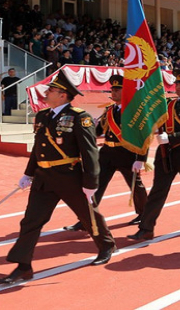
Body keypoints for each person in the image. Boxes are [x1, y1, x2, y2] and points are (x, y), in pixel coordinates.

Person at [0, 70, 116, 284]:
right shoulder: (43, 116)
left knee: (88, 215)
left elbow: (89, 153)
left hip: (69, 177)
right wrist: (28, 173)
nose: (46, 92)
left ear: (62, 95)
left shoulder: (80, 117)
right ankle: (23, 266)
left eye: (51, 90)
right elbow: (37, 148)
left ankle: (106, 245)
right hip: (44, 178)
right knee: (31, 221)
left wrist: (91, 183)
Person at [127, 69, 180, 240]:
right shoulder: (166, 104)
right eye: (177, 83)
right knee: (158, 190)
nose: (178, 86)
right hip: (166, 154)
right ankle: (146, 228)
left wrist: (171, 138)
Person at [63, 75, 149, 231]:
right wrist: (89, 128)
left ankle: (144, 214)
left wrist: (141, 159)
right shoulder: (109, 110)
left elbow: (144, 136)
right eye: (112, 89)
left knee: (136, 187)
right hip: (107, 153)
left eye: (117, 89)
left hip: (128, 154)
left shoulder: (136, 111)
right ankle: (86, 219)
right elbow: (98, 131)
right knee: (94, 185)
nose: (113, 92)